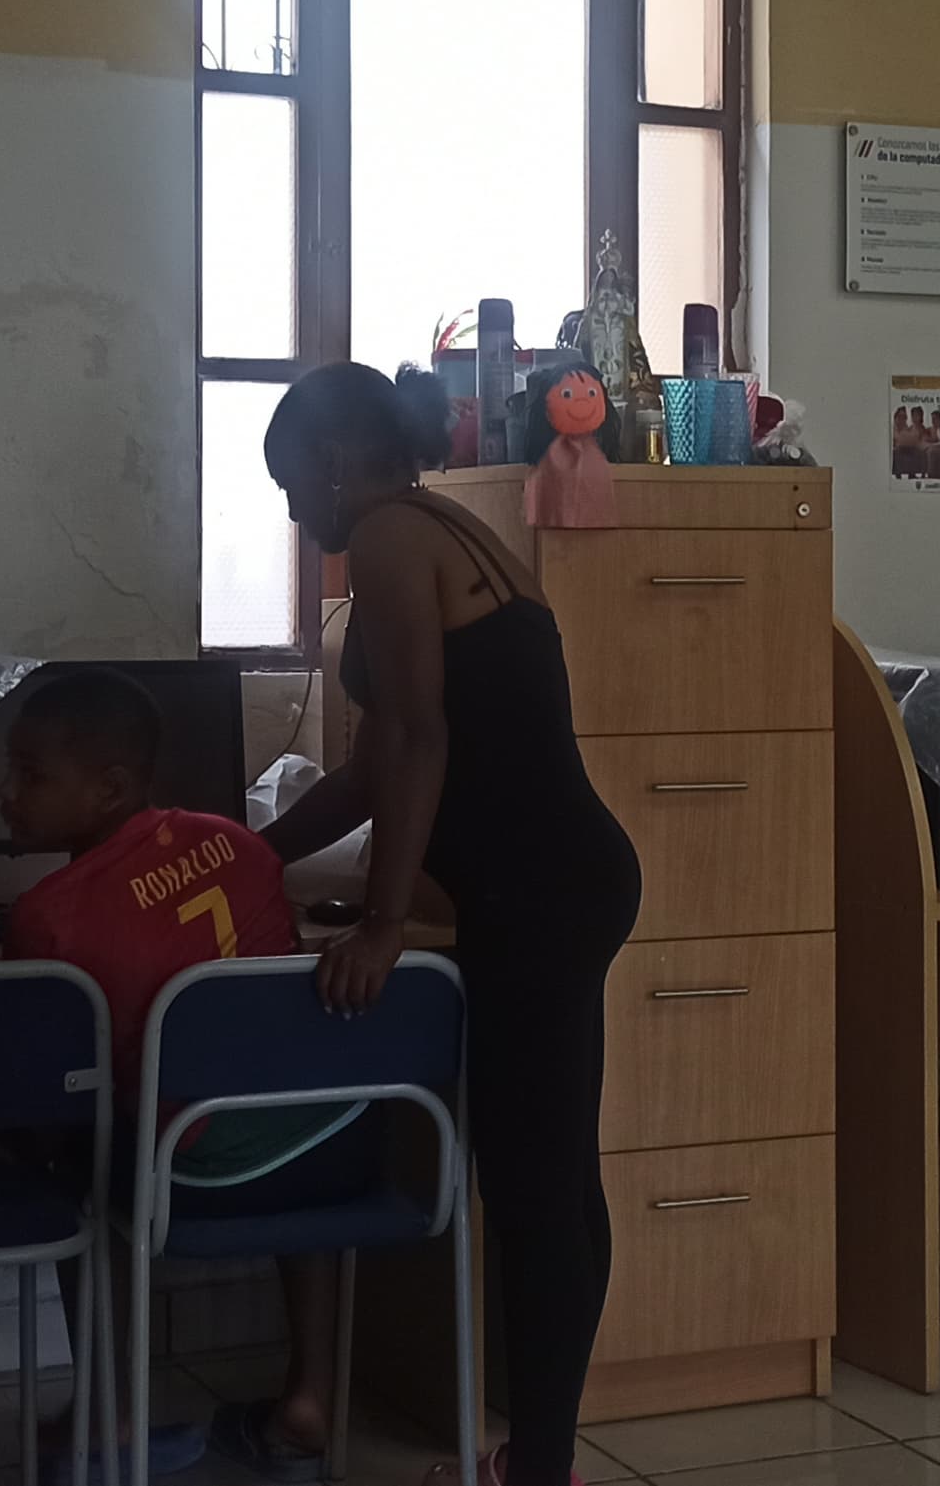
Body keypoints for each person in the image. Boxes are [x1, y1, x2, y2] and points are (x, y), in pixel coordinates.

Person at [259, 361, 639, 1486]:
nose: (296, 513)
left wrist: (382, 924)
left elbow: (420, 737)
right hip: (565, 879)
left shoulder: (386, 541)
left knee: (534, 1194)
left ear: (335, 462)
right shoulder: (448, 528)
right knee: (557, 1183)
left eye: (292, 485)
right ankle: (539, 1458)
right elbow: (371, 769)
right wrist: (240, 849)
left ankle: (539, 1473)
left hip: (537, 893)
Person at [0, 666, 374, 1485]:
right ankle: (310, 1395)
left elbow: (49, 1091)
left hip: (204, 1175)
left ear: (110, 787)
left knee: (69, 1152)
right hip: (339, 1151)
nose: (4, 794)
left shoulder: (46, 917)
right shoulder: (242, 844)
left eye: (29, 774)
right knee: (283, 1104)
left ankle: (111, 1407)